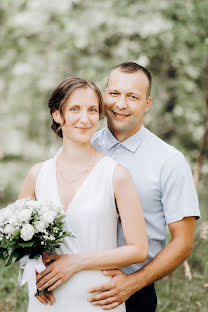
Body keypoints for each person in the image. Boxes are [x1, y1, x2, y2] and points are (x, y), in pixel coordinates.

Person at [18, 77, 148, 312]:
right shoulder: (37, 174)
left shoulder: (116, 175)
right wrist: (33, 272)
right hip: (47, 299)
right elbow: (18, 243)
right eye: (75, 109)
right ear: (58, 115)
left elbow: (139, 249)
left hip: (98, 298)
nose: (84, 119)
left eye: (92, 110)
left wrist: (75, 262)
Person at [87, 62, 200, 312]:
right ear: (104, 94)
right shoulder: (83, 145)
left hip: (134, 293)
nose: (120, 104)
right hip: (76, 284)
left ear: (147, 104)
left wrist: (131, 284)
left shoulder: (170, 161)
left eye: (133, 97)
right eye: (114, 93)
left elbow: (183, 243)